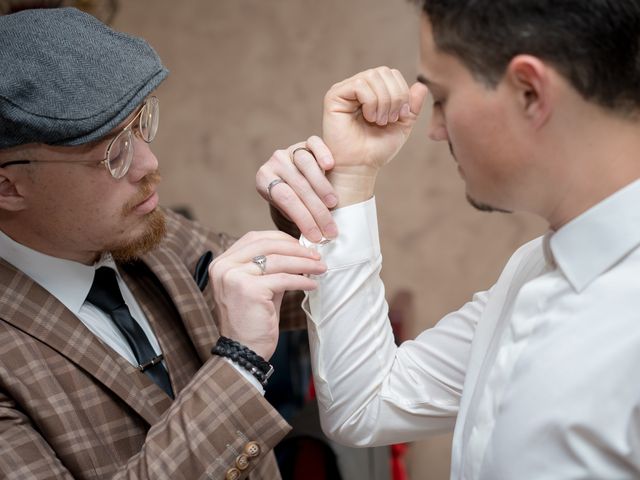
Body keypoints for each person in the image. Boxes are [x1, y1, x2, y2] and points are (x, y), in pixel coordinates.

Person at [257, 0, 640, 478]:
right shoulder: (533, 270)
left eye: (442, 97)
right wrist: (352, 179)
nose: (435, 130)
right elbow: (366, 407)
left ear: (529, 92)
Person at [0, 7, 328, 480]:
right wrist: (238, 365)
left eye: (141, 125)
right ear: (8, 187)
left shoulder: (147, 231)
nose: (150, 164)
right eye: (113, 154)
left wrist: (315, 201)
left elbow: (304, 292)